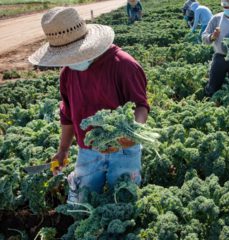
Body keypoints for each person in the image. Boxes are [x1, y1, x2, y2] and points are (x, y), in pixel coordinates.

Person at [28, 7, 149, 203]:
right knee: (82, 201)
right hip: (87, 150)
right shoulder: (68, 73)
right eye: (66, 57)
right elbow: (67, 114)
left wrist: (132, 133)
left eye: (73, 55)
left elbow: (141, 106)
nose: (70, 62)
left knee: (124, 200)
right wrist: (63, 149)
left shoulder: (123, 65)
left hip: (124, 150)